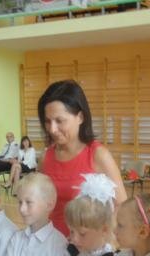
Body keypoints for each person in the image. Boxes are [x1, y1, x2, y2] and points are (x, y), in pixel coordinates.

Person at [38, 79, 126, 236]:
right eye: (47, 122)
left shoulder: (98, 155)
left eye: (59, 121)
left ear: (80, 117)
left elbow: (121, 206)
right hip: (52, 242)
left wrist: (101, 237)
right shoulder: (45, 158)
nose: (52, 129)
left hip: (85, 246)